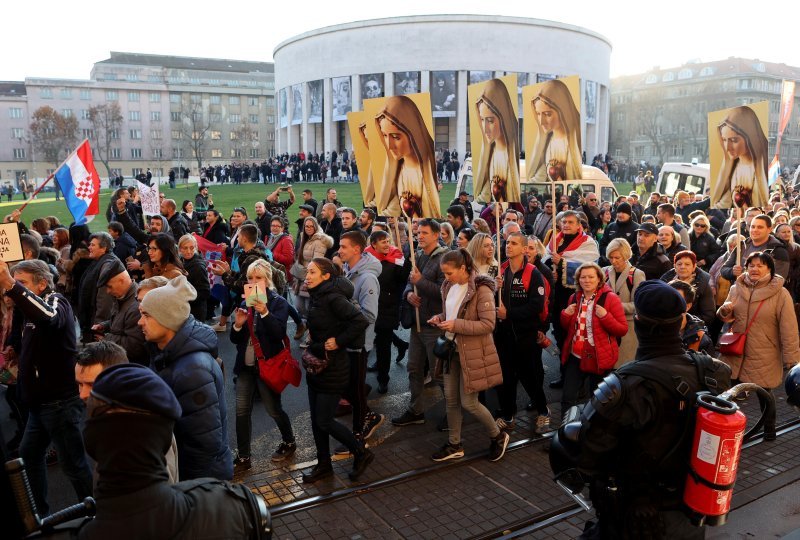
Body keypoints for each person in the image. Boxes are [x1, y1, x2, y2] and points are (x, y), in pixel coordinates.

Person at [553, 280, 719, 539]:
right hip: (690, 508)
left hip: (634, 515)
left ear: (639, 323)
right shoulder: (712, 371)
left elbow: (588, 456)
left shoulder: (623, 387)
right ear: (680, 322)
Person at [77, 363, 267, 539]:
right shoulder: (236, 509)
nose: (81, 395)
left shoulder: (64, 532)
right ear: (165, 437)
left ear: (92, 438)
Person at [0, 259, 93, 515]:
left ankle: (96, 513)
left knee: (73, 464)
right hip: (40, 403)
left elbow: (48, 318)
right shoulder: (27, 307)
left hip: (59, 402)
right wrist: (15, 348)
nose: (16, 288)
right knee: (29, 456)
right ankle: (39, 514)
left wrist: (9, 283)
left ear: (42, 284)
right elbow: (28, 329)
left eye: (23, 283)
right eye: (15, 282)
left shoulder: (57, 302)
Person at [139, 275, 233, 480]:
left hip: (201, 482)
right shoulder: (167, 353)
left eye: (146, 315)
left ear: (167, 317)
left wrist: (189, 489)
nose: (140, 322)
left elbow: (204, 444)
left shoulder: (192, 371)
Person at [427, 249, 510, 462]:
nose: (446, 278)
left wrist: (456, 325)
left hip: (470, 352)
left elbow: (488, 324)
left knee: (469, 403)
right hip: (450, 350)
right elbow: (451, 314)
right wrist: (440, 318)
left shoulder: (482, 291)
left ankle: (498, 435)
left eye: (449, 273)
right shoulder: (449, 286)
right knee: (451, 401)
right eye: (444, 274)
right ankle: (454, 443)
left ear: (463, 268)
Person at [301, 258, 372, 482]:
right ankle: (324, 465)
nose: (307, 276)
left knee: (324, 420)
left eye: (312, 272)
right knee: (316, 420)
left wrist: (339, 341)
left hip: (333, 367)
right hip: (318, 365)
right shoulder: (317, 295)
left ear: (326, 276)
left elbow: (360, 321)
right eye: (307, 272)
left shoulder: (333, 297)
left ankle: (361, 451)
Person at [718, 251, 799, 438]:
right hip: (736, 348)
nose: (755, 269)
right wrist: (724, 310)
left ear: (769, 269)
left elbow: (789, 327)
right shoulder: (736, 287)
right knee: (730, 390)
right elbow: (727, 317)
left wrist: (791, 359)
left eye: (760, 265)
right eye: (751, 265)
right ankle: (729, 429)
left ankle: (769, 428)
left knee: (764, 391)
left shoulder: (781, 293)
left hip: (765, 349)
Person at [229, 259, 296, 471]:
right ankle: (244, 456)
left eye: (258, 278)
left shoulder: (278, 303)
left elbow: (278, 334)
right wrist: (238, 327)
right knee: (241, 411)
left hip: (267, 366)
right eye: (250, 278)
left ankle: (289, 441)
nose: (254, 282)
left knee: (273, 409)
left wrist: (265, 313)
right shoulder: (243, 303)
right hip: (246, 368)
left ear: (268, 280)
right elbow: (235, 340)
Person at [392, 219, 449, 426]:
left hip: (434, 324)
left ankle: (453, 413)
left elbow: (444, 292)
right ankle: (415, 410)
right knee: (414, 368)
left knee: (439, 374)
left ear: (436, 235)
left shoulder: (444, 258)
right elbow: (409, 282)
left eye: (425, 233)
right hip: (417, 323)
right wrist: (408, 294)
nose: (420, 236)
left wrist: (420, 283)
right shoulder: (418, 255)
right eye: (418, 233)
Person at [494, 232, 550, 432]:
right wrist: (494, 288)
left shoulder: (533, 273)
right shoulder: (500, 270)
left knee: (530, 377)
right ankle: (508, 416)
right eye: (507, 242)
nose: (508, 246)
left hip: (525, 336)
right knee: (505, 378)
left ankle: (543, 412)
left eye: (514, 243)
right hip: (503, 335)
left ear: (525, 249)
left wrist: (508, 314)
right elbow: (492, 301)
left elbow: (536, 305)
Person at [559, 262, 628, 416]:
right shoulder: (574, 297)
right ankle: (566, 430)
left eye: (591, 277)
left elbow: (622, 329)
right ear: (578, 280)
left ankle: (591, 431)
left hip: (599, 357)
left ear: (599, 279)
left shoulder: (610, 299)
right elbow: (567, 327)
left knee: (597, 399)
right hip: (575, 356)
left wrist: (605, 316)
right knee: (568, 397)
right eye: (583, 277)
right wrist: (565, 314)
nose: (587, 280)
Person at [337, 231, 384, 446]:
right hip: (347, 339)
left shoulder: (367, 278)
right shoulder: (349, 270)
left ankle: (365, 423)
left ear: (357, 249)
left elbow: (369, 315)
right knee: (347, 385)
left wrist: (343, 312)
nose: (339, 250)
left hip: (358, 343)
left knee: (352, 387)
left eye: (344, 247)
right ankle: (366, 413)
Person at [374, 95, 441, 218]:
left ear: (412, 133)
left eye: (395, 137)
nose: (389, 146)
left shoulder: (426, 173)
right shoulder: (396, 170)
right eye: (384, 135)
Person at [366, 230, 411, 393]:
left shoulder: (396, 259)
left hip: (388, 307)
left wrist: (407, 263)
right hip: (369, 307)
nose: (387, 244)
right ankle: (400, 344)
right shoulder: (367, 259)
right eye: (383, 242)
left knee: (383, 345)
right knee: (370, 341)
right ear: (374, 244)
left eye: (388, 241)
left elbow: (402, 278)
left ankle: (383, 379)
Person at [90, 258, 149, 366]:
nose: (107, 291)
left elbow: (135, 346)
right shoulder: (122, 296)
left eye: (109, 286)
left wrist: (106, 339)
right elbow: (121, 321)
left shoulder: (136, 306)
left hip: (130, 365)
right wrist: (104, 326)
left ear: (121, 280)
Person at [711, 105, 769, 209]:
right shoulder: (733, 167)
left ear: (750, 138)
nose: (727, 148)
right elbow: (725, 202)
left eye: (734, 140)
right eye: (724, 140)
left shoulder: (760, 169)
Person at [473, 79, 520, 204]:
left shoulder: (511, 154)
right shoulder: (489, 153)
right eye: (482, 120)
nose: (485, 128)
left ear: (503, 117)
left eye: (490, 120)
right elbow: (484, 195)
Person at [528, 79, 582, 183]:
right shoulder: (548, 142)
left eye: (548, 114)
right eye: (538, 114)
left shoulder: (572, 141)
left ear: (562, 110)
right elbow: (541, 176)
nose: (541, 121)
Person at [602, 238, 645, 367]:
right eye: (611, 257)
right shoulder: (604, 271)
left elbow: (638, 304)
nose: (613, 261)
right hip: (605, 324)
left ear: (626, 256)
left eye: (617, 257)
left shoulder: (637, 274)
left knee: (623, 367)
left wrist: (614, 306)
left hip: (627, 328)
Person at [291, 217, 333, 336]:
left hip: (310, 278)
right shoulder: (306, 238)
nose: (309, 228)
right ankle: (306, 326)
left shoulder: (319, 240)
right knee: (299, 306)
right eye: (306, 226)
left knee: (309, 308)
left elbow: (316, 263)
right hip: (301, 277)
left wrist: (305, 276)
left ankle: (311, 334)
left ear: (315, 226)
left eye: (311, 226)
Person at [77, 232, 120, 344]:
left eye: (93, 245)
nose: (89, 247)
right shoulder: (99, 261)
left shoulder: (107, 265)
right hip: (91, 320)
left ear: (103, 248)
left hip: (97, 325)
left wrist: (99, 326)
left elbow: (105, 301)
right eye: (90, 244)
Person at [660, 250, 716, 328]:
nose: (683, 267)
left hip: (692, 328)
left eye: (687, 264)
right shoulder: (664, 282)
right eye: (679, 264)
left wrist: (687, 324)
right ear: (674, 267)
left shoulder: (703, 285)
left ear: (694, 267)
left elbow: (708, 316)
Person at [178, 234, 211, 323]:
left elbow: (205, 292)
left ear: (196, 247)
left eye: (192, 248)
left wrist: (185, 297)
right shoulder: (180, 260)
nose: (188, 251)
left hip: (195, 312)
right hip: (185, 309)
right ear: (180, 248)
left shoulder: (198, 267)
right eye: (185, 248)